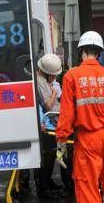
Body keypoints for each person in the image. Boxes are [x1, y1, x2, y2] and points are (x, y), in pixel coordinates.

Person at [55, 31, 104, 203]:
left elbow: (66, 114)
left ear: (81, 51)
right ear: (99, 53)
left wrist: (61, 142)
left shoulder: (72, 76)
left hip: (87, 139)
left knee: (87, 187)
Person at [34, 53, 66, 198]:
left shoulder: (42, 79)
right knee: (47, 156)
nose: (55, 78)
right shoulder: (40, 82)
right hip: (49, 122)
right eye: (53, 76)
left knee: (51, 154)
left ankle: (48, 181)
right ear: (47, 73)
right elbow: (47, 105)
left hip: (53, 119)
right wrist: (54, 93)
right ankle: (44, 187)